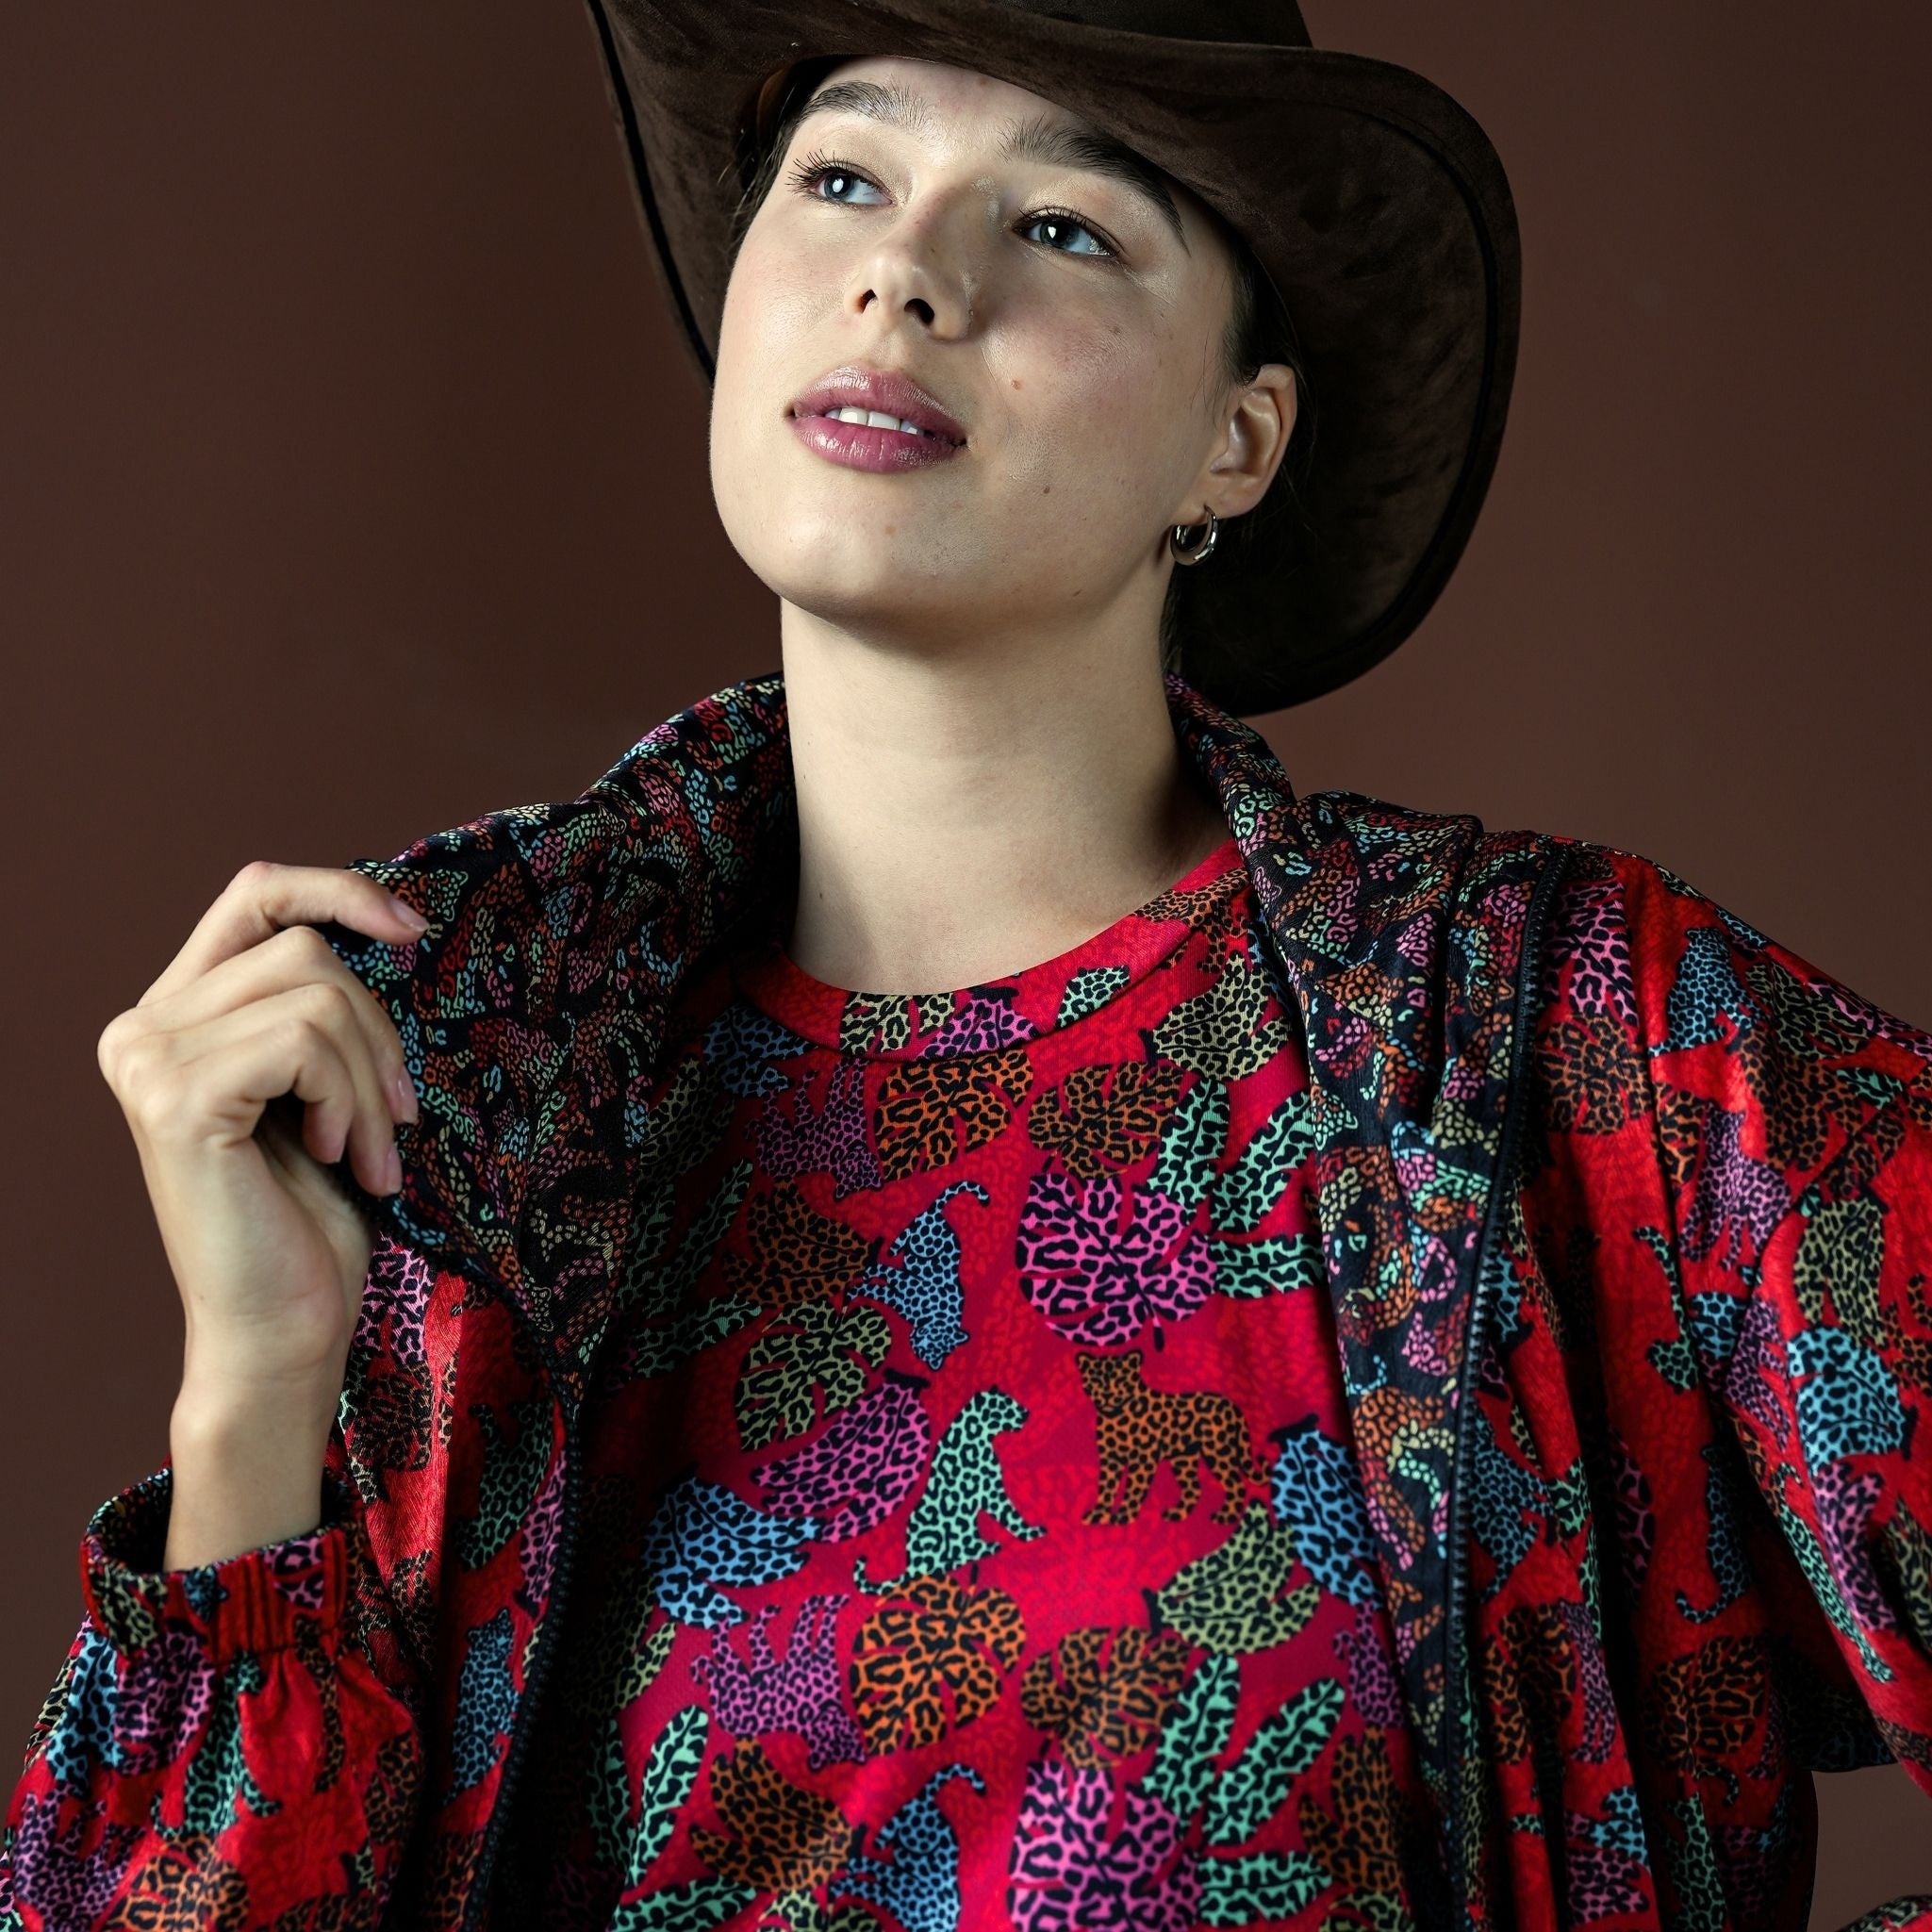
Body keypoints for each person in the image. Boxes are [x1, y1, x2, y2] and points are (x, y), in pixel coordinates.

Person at [5, 4, 1931, 1929]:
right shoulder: (452, 1102)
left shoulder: (1558, 1045)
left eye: (1062, 227)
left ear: (1236, 439)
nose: (905, 276)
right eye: (844, 177)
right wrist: (253, 1394)